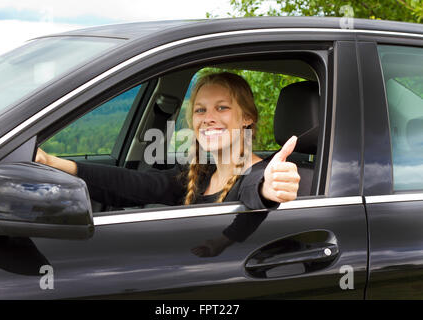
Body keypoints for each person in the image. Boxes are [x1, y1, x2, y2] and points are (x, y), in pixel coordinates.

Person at [36, 72, 300, 252]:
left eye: (222, 107)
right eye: (200, 109)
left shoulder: (260, 173)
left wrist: (269, 189)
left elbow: (256, 190)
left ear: (247, 118)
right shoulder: (199, 175)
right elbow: (136, 184)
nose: (208, 117)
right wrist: (55, 163)